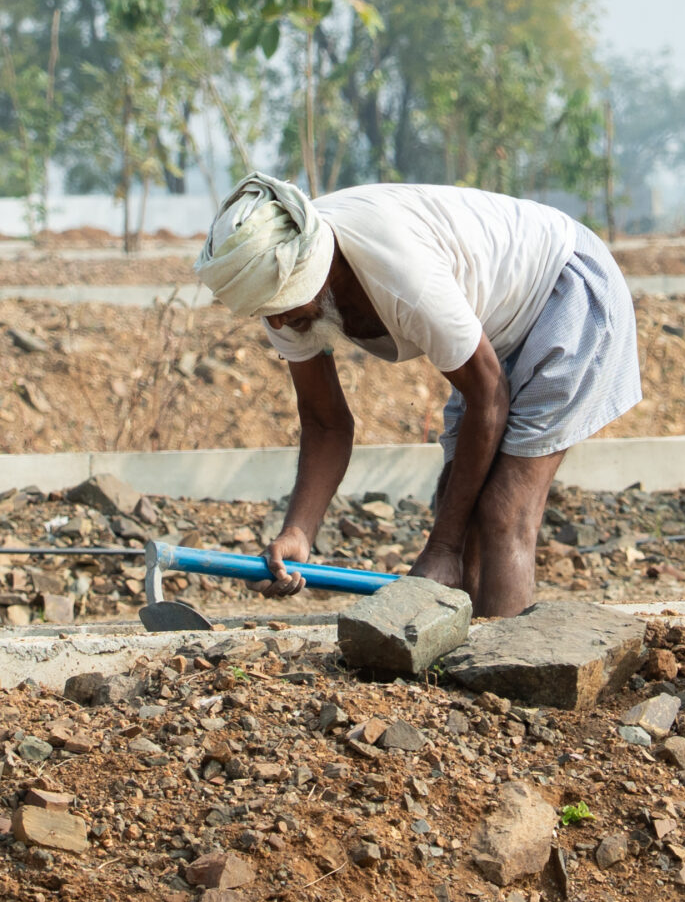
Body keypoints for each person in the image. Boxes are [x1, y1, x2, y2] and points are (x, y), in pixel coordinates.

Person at [195, 173, 639, 617]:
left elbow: (488, 395)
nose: (277, 325)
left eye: (283, 308)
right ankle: (465, 665)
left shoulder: (398, 269)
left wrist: (442, 547)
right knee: (456, 495)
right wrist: (299, 531)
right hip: (498, 331)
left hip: (563, 288)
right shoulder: (280, 296)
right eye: (266, 313)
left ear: (316, 271)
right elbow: (326, 423)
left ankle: (509, 670)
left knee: (505, 507)